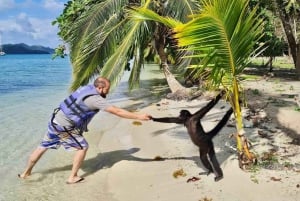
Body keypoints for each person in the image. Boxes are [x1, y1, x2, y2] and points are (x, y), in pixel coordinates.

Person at [18, 77, 151, 184]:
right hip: (64, 127)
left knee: (42, 146)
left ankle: (26, 173)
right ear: (99, 87)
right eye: (107, 89)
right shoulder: (95, 99)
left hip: (55, 120)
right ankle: (73, 177)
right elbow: (116, 111)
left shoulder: (86, 88)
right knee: (83, 147)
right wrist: (139, 116)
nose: (108, 92)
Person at [151, 91, 233, 181]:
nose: (179, 117)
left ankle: (220, 175)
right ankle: (210, 170)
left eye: (180, 115)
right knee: (203, 158)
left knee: (212, 158)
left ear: (185, 115)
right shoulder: (184, 121)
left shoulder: (195, 118)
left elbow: (208, 107)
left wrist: (219, 96)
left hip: (206, 141)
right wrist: (155, 119)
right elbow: (169, 119)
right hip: (201, 144)